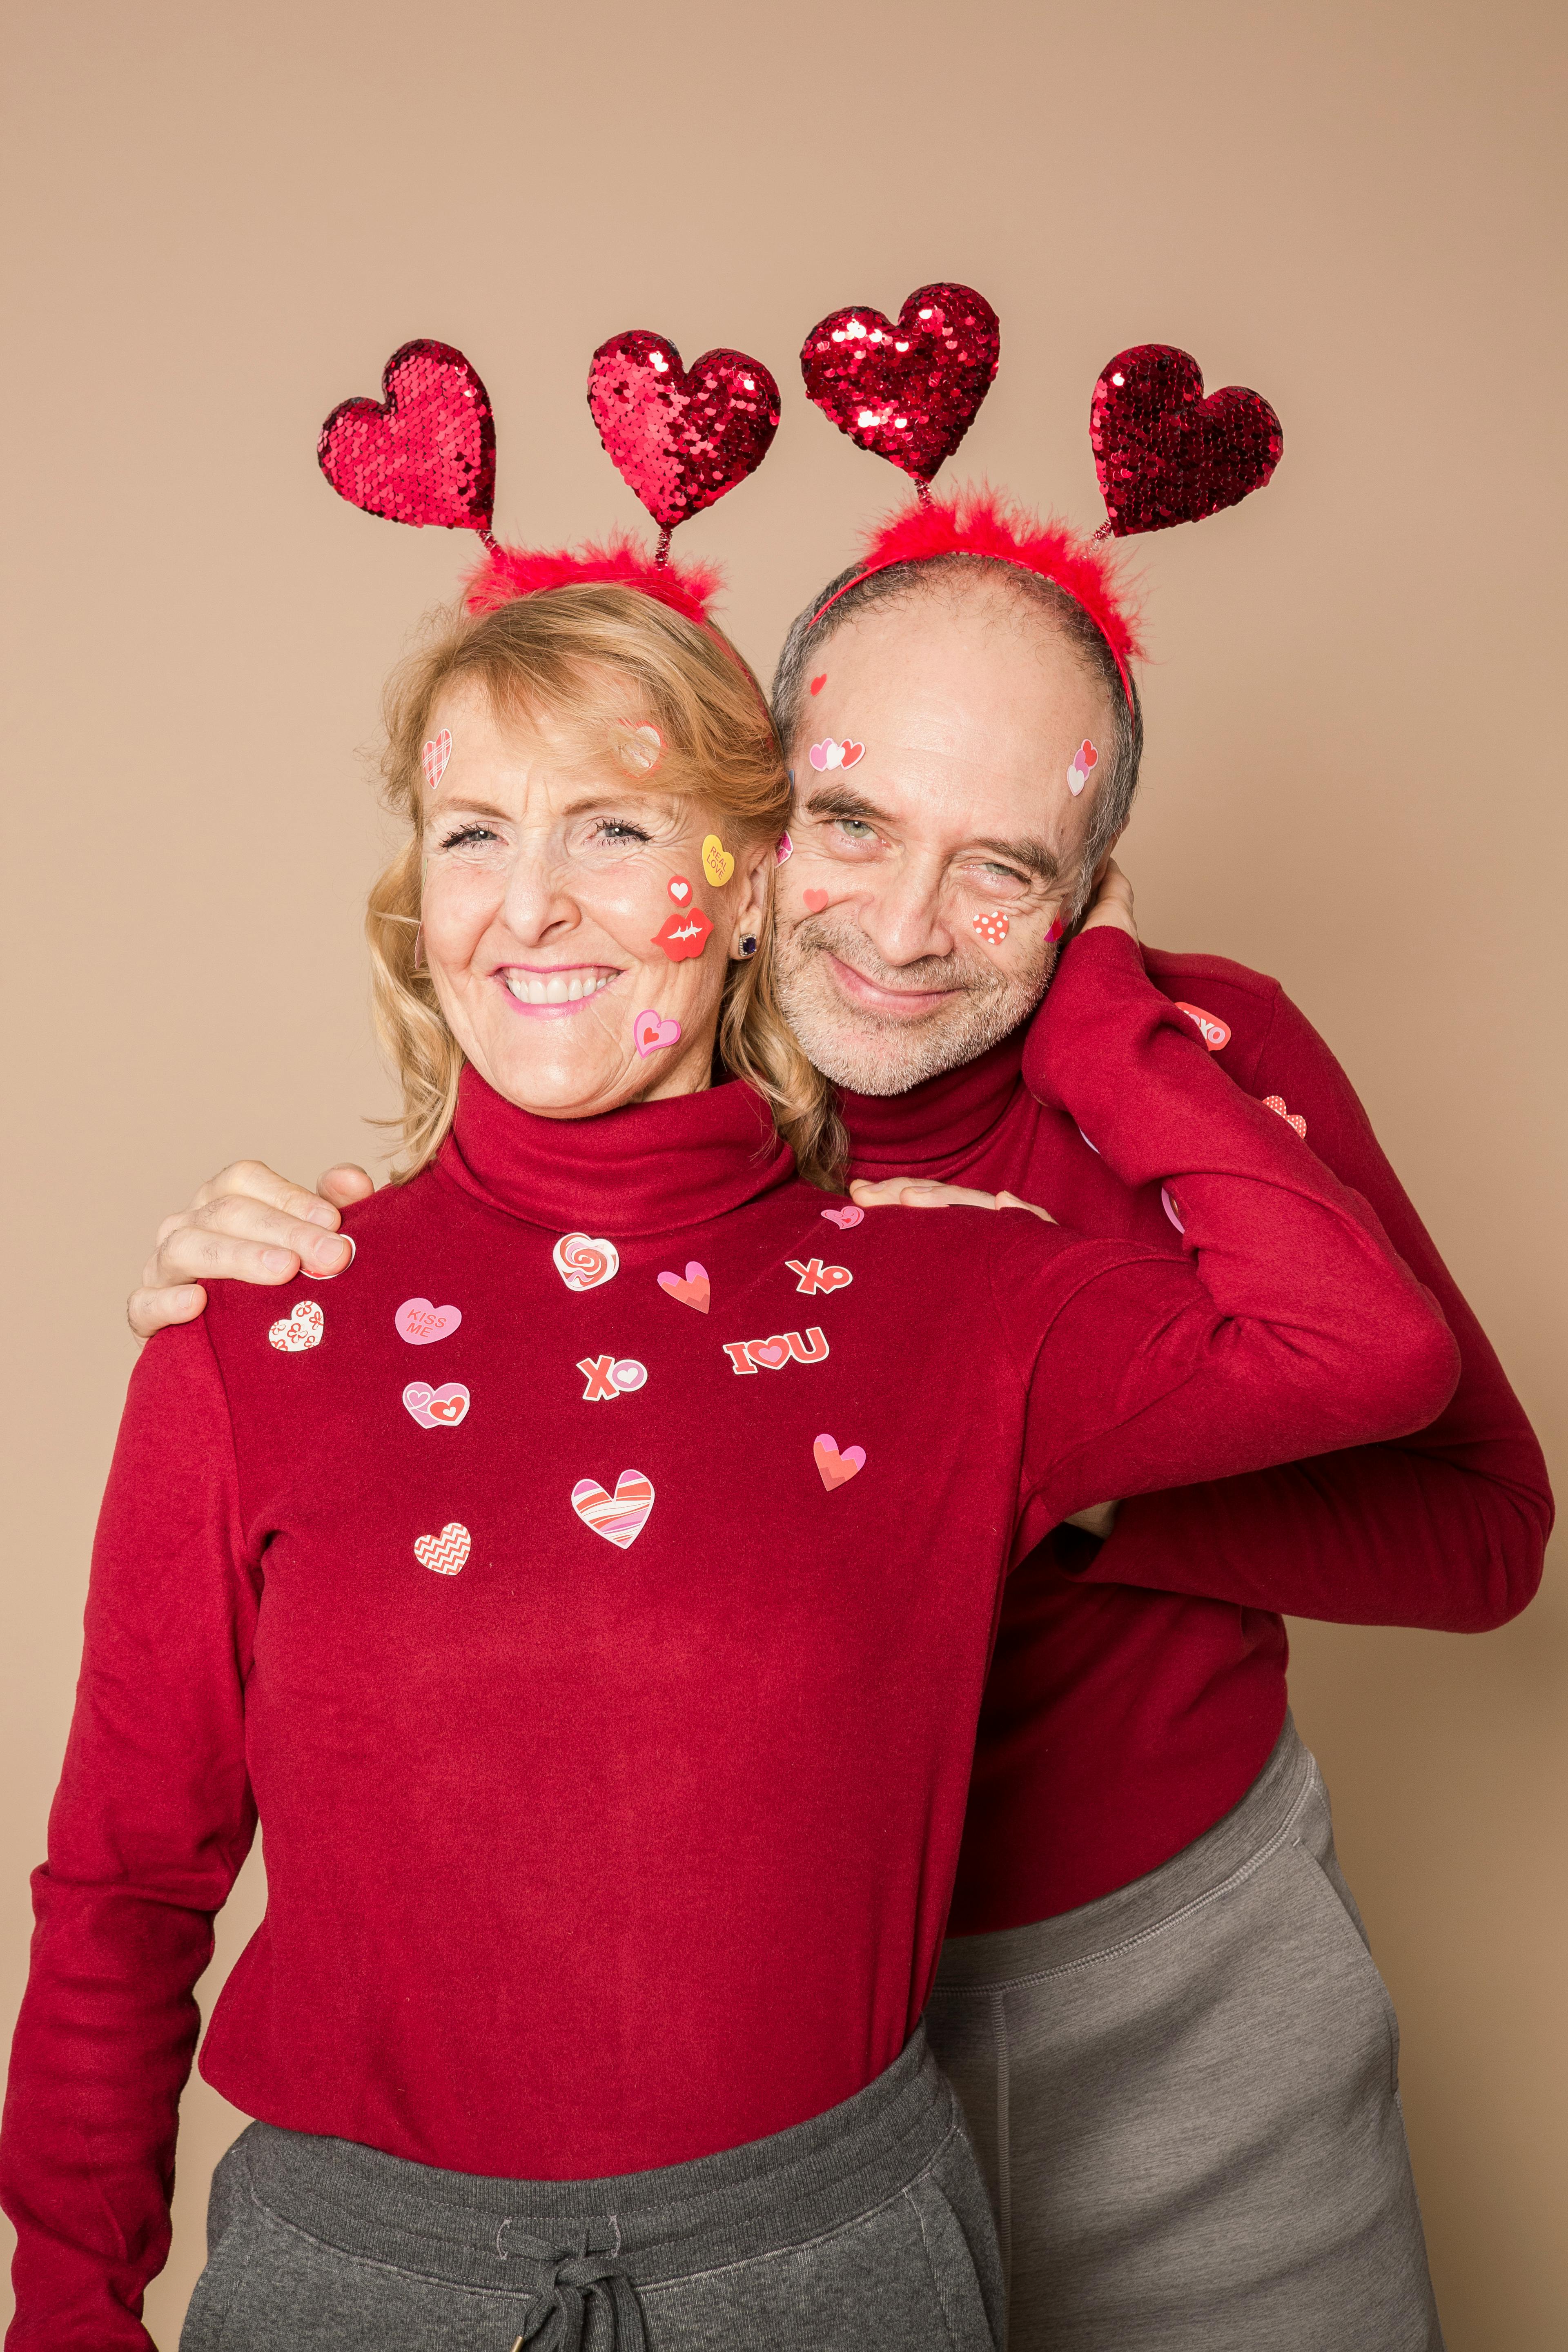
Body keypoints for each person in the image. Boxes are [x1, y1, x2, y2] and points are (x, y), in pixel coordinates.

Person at [130, 494, 1552, 2352]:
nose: (901, 928)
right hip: (774, 2078)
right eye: (851, 823)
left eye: (1007, 872)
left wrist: (1056, 1463)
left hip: (1175, 1985)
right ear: (739, 812)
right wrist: (258, 1259)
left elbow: (1479, 1531)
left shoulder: (1201, 1061)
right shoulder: (625, 1034)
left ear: (1094, 887)